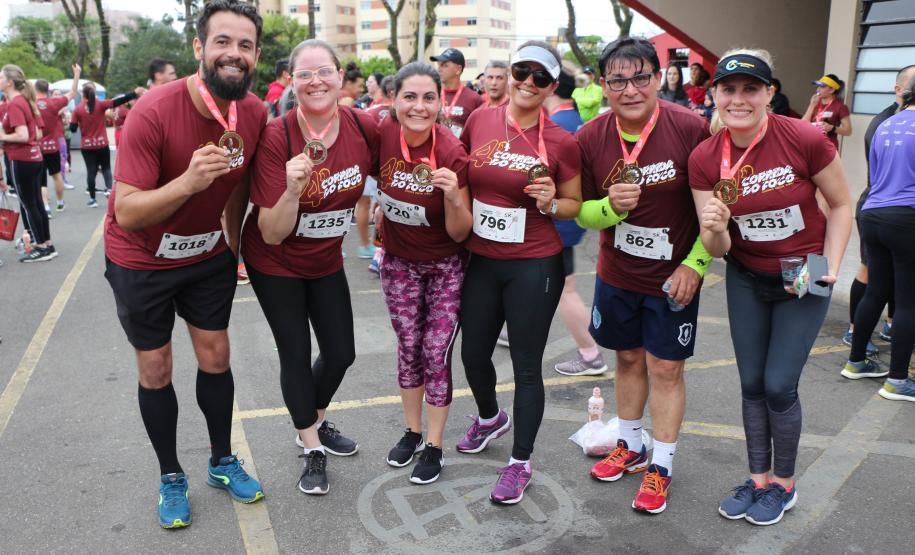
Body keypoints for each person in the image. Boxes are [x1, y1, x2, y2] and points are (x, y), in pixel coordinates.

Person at [103, 0, 267, 528]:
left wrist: (234, 245)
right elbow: (127, 210)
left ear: (256, 55)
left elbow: (240, 181)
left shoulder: (256, 112)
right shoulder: (153, 109)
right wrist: (188, 183)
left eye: (244, 45)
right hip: (141, 258)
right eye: (222, 41)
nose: (233, 54)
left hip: (206, 253)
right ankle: (171, 474)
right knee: (156, 368)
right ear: (199, 48)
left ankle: (221, 460)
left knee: (216, 354)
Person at [690, 49, 852, 526]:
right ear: (715, 94)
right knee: (751, 383)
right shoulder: (705, 157)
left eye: (750, 89)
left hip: (803, 270)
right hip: (745, 272)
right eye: (729, 89)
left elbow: (841, 205)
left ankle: (784, 484)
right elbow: (716, 249)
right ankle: (757, 480)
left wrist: (833, 265)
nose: (739, 99)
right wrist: (715, 227)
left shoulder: (802, 137)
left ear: (769, 94)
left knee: (780, 384)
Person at [575, 38, 711, 514]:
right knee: (628, 359)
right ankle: (631, 445)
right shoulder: (590, 136)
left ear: (657, 77)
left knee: (666, 368)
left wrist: (696, 265)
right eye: (617, 80)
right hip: (617, 272)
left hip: (674, 277)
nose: (629, 89)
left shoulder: (692, 128)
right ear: (603, 85)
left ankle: (663, 465)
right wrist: (609, 207)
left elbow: (716, 211)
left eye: (639, 78)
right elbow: (582, 215)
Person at [242, 38, 379, 496]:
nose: (316, 80)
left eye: (324, 71)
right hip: (274, 259)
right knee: (296, 353)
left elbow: (400, 168)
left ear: (341, 77)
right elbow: (273, 230)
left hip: (323, 258)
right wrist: (291, 190)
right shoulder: (277, 136)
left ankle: (313, 419)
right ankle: (311, 447)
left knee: (341, 352)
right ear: (292, 82)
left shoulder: (362, 127)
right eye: (305, 74)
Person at [457, 41, 582, 505]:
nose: (528, 83)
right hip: (483, 258)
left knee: (527, 367)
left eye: (540, 77)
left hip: (534, 262)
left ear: (552, 86)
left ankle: (520, 463)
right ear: (509, 73)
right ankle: (490, 417)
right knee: (472, 354)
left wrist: (552, 200)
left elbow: (573, 204)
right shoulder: (479, 120)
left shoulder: (562, 140)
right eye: (521, 71)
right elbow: (463, 178)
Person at [375, 62, 472, 484]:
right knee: (408, 347)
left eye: (428, 97)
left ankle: (434, 445)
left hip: (445, 267)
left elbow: (461, 231)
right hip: (398, 264)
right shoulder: (380, 135)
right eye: (409, 97)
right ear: (394, 100)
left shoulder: (451, 151)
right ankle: (412, 432)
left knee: (435, 352)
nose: (419, 106)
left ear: (441, 101)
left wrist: (452, 197)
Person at [842, 74, 915, 400]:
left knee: (877, 289)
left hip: (872, 213)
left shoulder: (886, 124)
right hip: (906, 216)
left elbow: (877, 172)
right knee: (909, 301)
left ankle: (856, 361)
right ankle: (897, 380)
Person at [542, 69, 606, 376]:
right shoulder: (580, 121)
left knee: (564, 289)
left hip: (557, 217)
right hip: (572, 215)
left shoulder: (553, 126)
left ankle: (591, 354)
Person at [1, 64, 59, 262]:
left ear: (9, 82)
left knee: (29, 204)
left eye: (1, 77)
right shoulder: (22, 101)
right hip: (33, 158)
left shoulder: (16, 103)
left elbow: (23, 135)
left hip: (22, 159)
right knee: (36, 203)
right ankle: (47, 244)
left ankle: (42, 247)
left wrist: (2, 135)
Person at [71, 83, 144, 207]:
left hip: (87, 146)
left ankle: (93, 199)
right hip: (102, 144)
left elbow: (72, 129)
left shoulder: (77, 109)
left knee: (91, 171)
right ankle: (111, 194)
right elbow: (119, 100)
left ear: (83, 95)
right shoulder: (101, 105)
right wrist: (134, 93)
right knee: (106, 169)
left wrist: (81, 124)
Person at [35, 65, 81, 215]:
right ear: (48, 90)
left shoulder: (31, 104)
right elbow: (73, 92)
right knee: (56, 175)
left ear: (36, 90)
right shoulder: (54, 103)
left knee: (41, 180)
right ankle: (60, 203)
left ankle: (46, 207)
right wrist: (77, 74)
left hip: (37, 148)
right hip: (52, 146)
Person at [430, 48, 484, 137]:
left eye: (445, 65)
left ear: (458, 69)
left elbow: (480, 132)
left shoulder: (474, 99)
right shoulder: (431, 96)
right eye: (439, 65)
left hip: (463, 150)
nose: (439, 69)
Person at [801, 73, 852, 148]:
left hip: (829, 147)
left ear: (831, 90)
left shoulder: (840, 107)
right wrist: (811, 105)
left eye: (822, 86)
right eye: (818, 86)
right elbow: (802, 124)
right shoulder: (815, 103)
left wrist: (832, 128)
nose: (818, 89)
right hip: (811, 145)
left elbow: (848, 131)